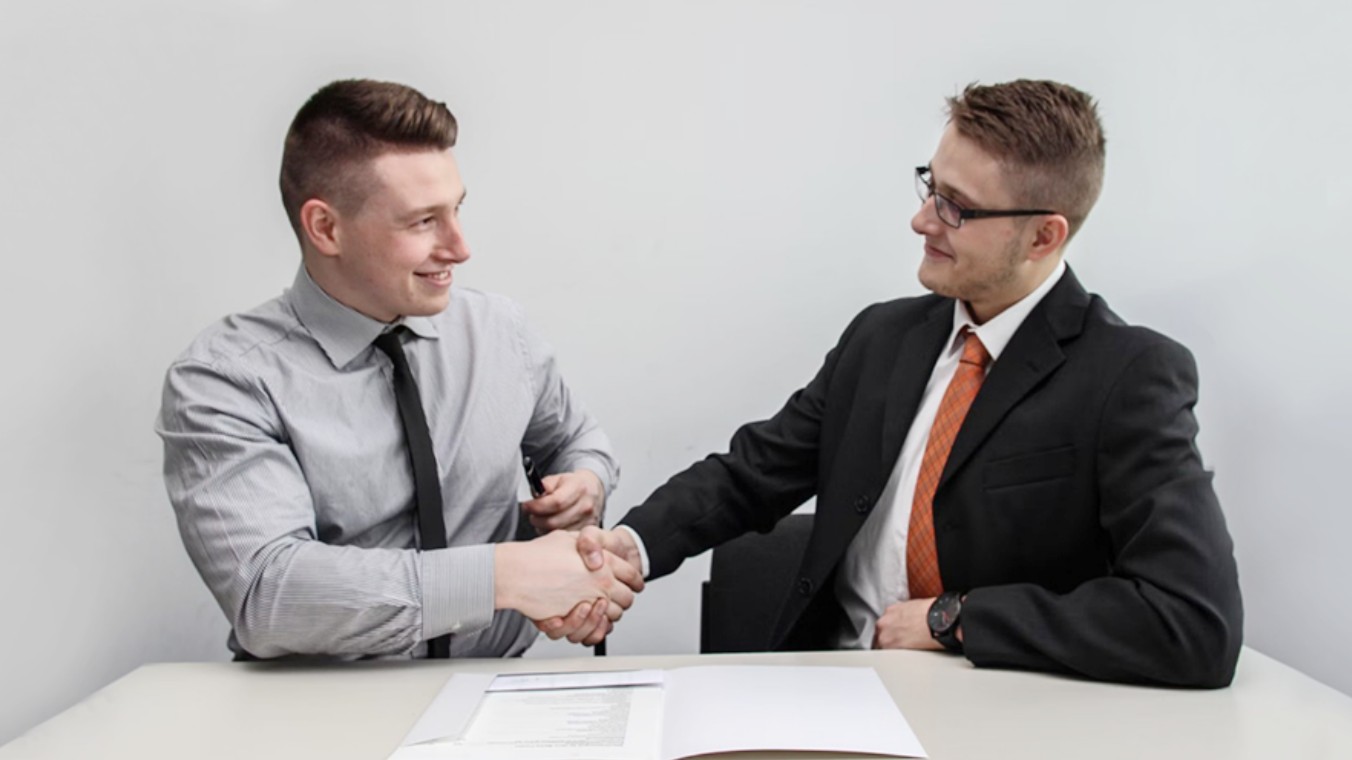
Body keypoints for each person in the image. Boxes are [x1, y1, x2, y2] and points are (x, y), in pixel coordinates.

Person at [550, 79, 1243, 688]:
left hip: (999, 714)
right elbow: (751, 475)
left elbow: (1193, 623)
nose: (922, 220)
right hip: (830, 690)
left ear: (1043, 237)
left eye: (956, 208)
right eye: (930, 188)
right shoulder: (883, 338)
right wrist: (628, 547)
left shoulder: (1128, 376)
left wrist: (954, 620)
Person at [156, 79, 639, 661]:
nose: (460, 248)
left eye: (457, 210)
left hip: (498, 692)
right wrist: (500, 576)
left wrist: (583, 485)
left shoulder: (499, 331)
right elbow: (270, 594)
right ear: (326, 228)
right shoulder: (224, 381)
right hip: (320, 717)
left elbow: (575, 441)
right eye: (422, 222)